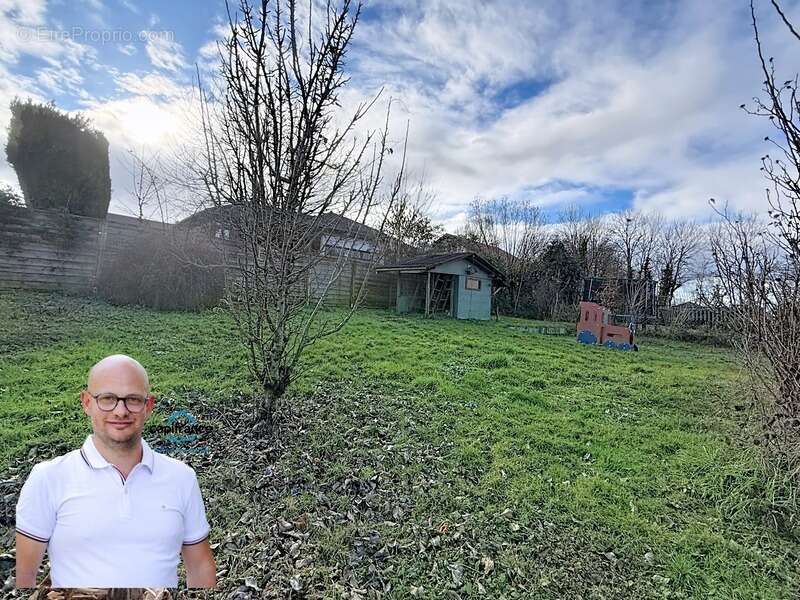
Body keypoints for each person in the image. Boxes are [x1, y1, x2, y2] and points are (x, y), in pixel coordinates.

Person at [15, 355, 216, 589]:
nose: (120, 411)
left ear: (149, 406)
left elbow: (201, 567)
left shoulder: (182, 478)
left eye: (132, 399)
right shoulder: (48, 478)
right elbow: (24, 577)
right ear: (86, 403)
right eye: (107, 399)